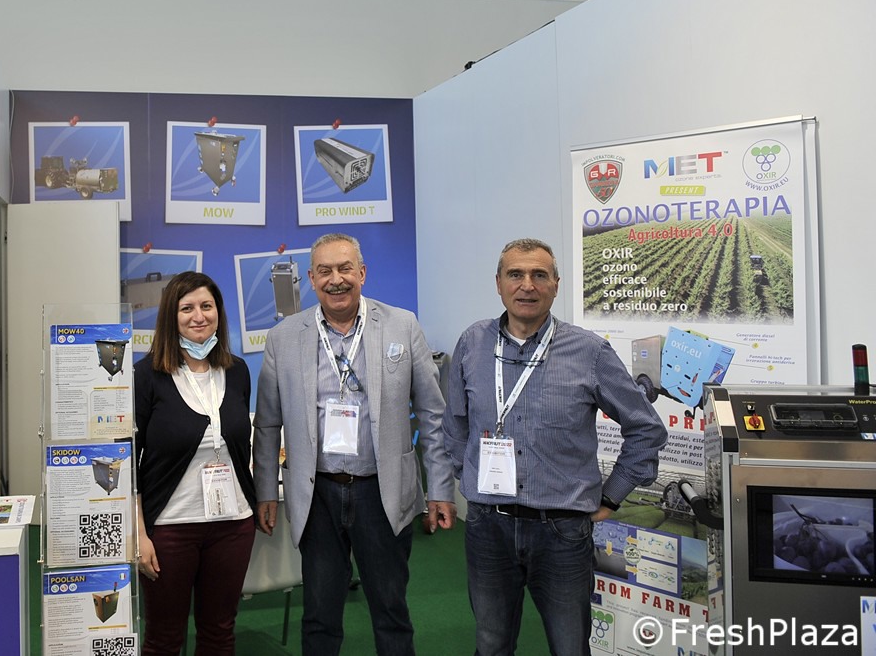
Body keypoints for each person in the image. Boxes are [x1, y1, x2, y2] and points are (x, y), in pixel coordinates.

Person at [443, 238, 667, 656]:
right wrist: (469, 475)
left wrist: (612, 496)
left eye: (539, 275)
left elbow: (646, 429)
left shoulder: (589, 351)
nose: (527, 285)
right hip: (488, 527)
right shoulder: (473, 343)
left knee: (569, 646)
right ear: (498, 283)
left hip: (562, 532)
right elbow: (455, 423)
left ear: (556, 285)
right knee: (490, 643)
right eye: (515, 274)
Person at [253, 232, 454, 656]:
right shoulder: (284, 337)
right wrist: (266, 490)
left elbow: (433, 414)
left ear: (362, 273)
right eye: (324, 271)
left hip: (382, 491)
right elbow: (267, 424)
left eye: (345, 268)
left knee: (391, 610)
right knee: (319, 616)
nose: (336, 279)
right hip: (318, 495)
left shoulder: (402, 325)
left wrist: (440, 487)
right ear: (311, 279)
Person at [133, 271, 257, 656]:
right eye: (187, 308)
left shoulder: (237, 371)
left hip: (233, 524)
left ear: (219, 312)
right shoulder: (146, 376)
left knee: (219, 632)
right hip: (170, 528)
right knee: (164, 637)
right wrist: (138, 533)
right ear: (171, 316)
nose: (198, 316)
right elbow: (126, 461)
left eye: (207, 306)